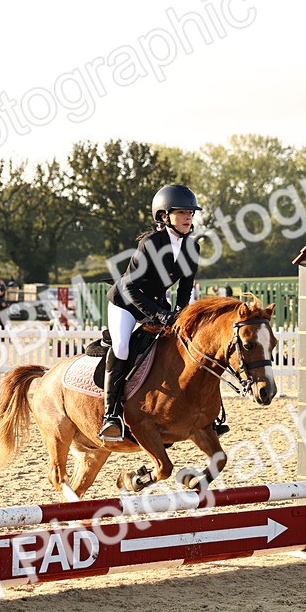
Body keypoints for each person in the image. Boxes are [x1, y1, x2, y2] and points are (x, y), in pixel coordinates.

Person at [99, 184, 201, 441]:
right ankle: (110, 416)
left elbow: (185, 289)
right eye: (181, 213)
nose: (188, 217)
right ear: (164, 216)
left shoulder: (192, 247)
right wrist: (158, 314)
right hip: (125, 303)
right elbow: (130, 286)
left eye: (191, 212)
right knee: (122, 347)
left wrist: (180, 314)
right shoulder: (150, 244)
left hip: (157, 303)